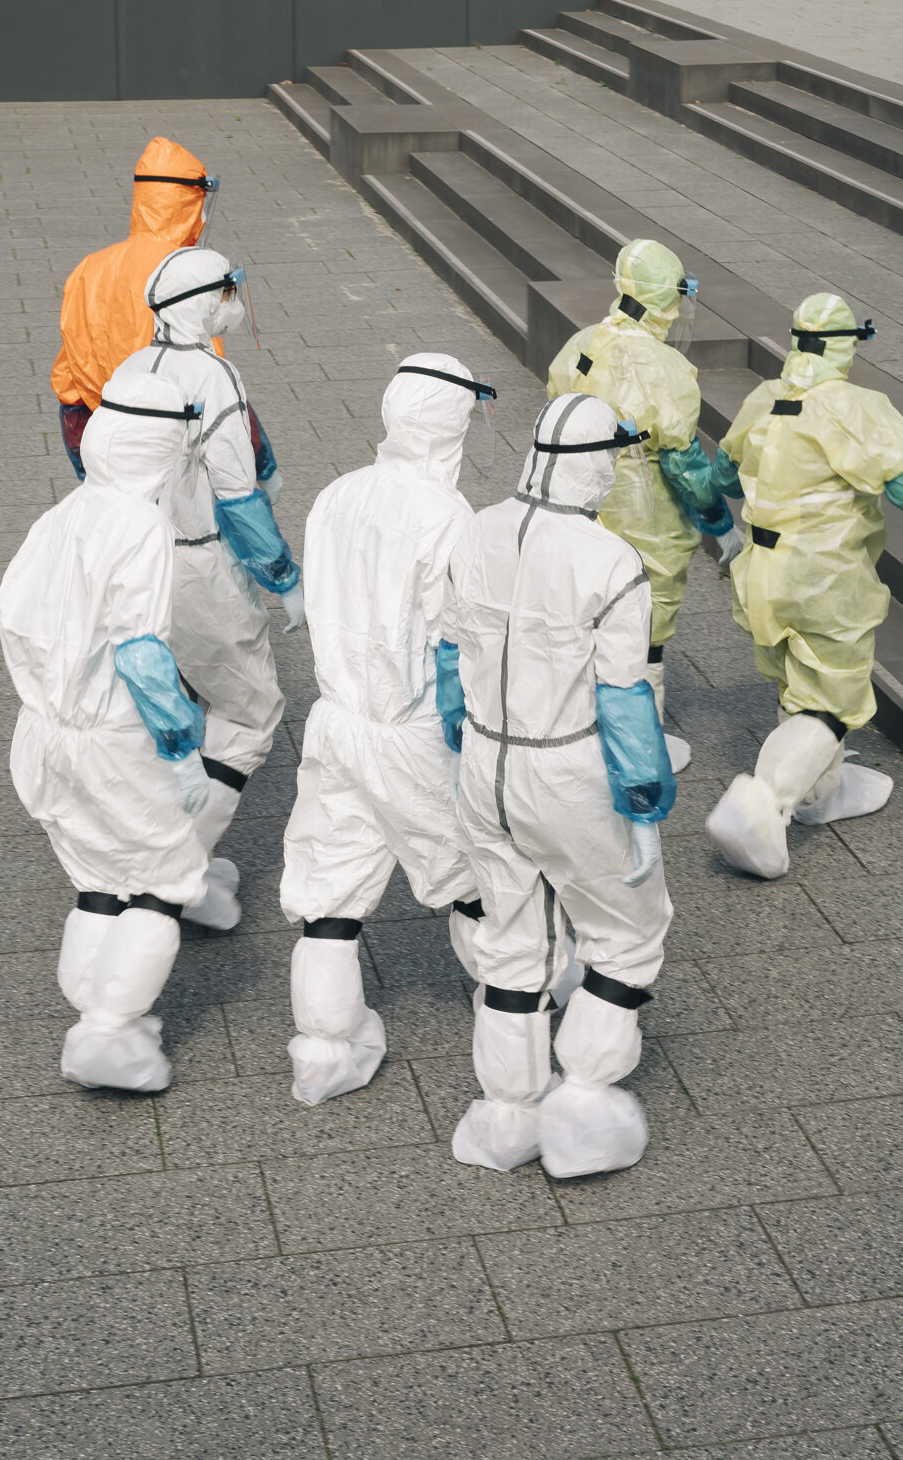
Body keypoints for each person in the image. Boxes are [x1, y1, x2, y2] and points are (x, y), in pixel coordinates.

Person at [441, 393, 676, 1180]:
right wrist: (643, 804)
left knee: (511, 937)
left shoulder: (475, 528)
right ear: (597, 462)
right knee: (626, 931)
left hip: (484, 762)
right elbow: (621, 697)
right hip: (565, 767)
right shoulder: (608, 559)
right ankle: (581, 1106)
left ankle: (506, 1116)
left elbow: (446, 656)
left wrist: (460, 746)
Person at [704, 293, 903, 881]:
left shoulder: (764, 399)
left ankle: (825, 793)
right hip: (823, 578)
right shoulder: (856, 406)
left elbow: (724, 474)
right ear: (849, 345)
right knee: (832, 701)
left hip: (760, 573)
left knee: (796, 677)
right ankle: (763, 804)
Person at [0, 366, 236, 1095]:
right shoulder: (139, 524)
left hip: (45, 733)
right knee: (164, 881)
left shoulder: (65, 513)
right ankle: (108, 1030)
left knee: (99, 876)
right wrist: (180, 747)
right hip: (111, 737)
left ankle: (100, 1017)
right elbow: (140, 650)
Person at [279, 355, 498, 1106]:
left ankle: (324, 1049)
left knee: (329, 884)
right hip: (412, 733)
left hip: (338, 721)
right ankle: (517, 1014)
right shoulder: (448, 516)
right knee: (473, 880)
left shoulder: (337, 494)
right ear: (452, 425)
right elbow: (456, 643)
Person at [117, 247, 303, 846]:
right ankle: (183, 866)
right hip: (199, 564)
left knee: (174, 700)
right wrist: (284, 578)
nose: (234, 305)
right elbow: (237, 494)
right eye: (227, 292)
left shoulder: (133, 368)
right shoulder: (212, 374)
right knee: (250, 716)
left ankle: (149, 832)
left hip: (136, 558)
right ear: (204, 302)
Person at [548, 239, 737, 775]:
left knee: (586, 620)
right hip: (642, 511)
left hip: (578, 502)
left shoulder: (581, 344)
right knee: (643, 631)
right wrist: (720, 523)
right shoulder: (667, 367)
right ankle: (638, 748)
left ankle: (582, 732)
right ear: (667, 300)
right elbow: (682, 464)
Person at [51, 137, 279, 496]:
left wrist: (85, 458)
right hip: (169, 438)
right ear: (188, 203)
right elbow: (211, 380)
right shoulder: (187, 280)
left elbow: (70, 375)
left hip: (100, 429)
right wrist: (262, 464)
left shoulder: (88, 269)